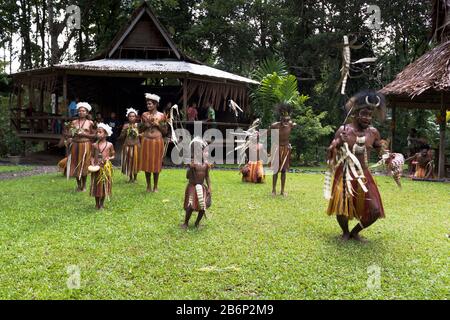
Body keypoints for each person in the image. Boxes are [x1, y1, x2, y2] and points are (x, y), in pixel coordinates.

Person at [326, 90, 386, 242]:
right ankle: (345, 232)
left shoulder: (373, 132)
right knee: (342, 208)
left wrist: (388, 155)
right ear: (355, 114)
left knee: (375, 210)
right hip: (345, 173)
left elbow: (382, 151)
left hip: (364, 175)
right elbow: (330, 153)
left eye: (370, 115)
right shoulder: (344, 130)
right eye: (364, 114)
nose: (367, 118)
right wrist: (339, 142)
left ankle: (355, 232)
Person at [138, 93, 168, 192]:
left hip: (157, 141)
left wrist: (157, 124)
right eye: (147, 104)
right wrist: (146, 124)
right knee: (147, 162)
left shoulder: (162, 116)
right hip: (146, 140)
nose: (148, 105)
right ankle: (148, 186)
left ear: (155, 104)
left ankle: (155, 186)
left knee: (156, 163)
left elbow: (165, 131)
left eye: (150, 104)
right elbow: (140, 130)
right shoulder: (144, 115)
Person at [181, 137, 212, 229]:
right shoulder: (192, 163)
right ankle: (185, 223)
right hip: (192, 186)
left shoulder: (206, 165)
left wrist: (209, 187)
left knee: (203, 206)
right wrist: (190, 168)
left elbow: (207, 176)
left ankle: (197, 223)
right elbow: (187, 176)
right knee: (190, 206)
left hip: (202, 187)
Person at [65, 102, 96, 192]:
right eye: (79, 111)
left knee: (84, 164)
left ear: (87, 113)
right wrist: (71, 135)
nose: (81, 112)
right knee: (75, 164)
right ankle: (78, 186)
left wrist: (84, 134)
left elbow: (94, 135)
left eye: (83, 111)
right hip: (75, 145)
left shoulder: (90, 123)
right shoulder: (73, 122)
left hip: (85, 145)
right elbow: (68, 134)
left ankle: (84, 185)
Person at [270, 103, 297, 196]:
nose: (286, 121)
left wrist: (293, 124)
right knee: (275, 170)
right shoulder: (275, 126)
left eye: (288, 120)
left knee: (284, 170)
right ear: (280, 119)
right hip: (277, 149)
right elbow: (267, 133)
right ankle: (273, 190)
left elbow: (293, 124)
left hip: (286, 149)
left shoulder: (290, 124)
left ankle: (282, 190)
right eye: (284, 120)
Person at [90, 123, 115, 210]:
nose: (98, 134)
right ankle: (97, 203)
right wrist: (93, 163)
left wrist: (108, 158)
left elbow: (113, 155)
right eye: (97, 132)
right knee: (97, 185)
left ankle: (102, 203)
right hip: (97, 167)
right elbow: (92, 156)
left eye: (100, 132)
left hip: (106, 168)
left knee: (104, 185)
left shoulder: (110, 145)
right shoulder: (94, 145)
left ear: (106, 134)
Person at [119, 108, 140, 183]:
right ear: (128, 117)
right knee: (129, 161)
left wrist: (137, 133)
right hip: (127, 145)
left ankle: (135, 178)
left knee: (135, 161)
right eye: (130, 116)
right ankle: (130, 177)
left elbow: (142, 135)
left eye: (133, 116)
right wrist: (125, 130)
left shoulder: (138, 125)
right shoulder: (126, 125)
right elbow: (121, 137)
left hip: (136, 146)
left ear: (136, 117)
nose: (132, 117)